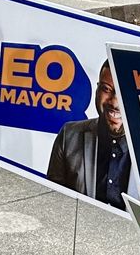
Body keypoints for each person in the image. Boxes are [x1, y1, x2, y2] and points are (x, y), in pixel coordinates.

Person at [45, 61, 131, 209]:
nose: (115, 102)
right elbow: (52, 203)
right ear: (97, 90)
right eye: (107, 89)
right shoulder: (69, 136)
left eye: (124, 92)